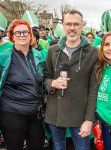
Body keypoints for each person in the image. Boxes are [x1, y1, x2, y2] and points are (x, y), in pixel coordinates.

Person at [44, 9, 98, 150]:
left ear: (82, 26)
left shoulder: (93, 53)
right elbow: (45, 78)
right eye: (68, 24)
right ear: (63, 26)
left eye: (76, 24)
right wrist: (53, 83)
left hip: (80, 115)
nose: (72, 28)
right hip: (55, 112)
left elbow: (93, 89)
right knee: (58, 147)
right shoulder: (52, 50)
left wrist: (89, 119)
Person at [0, 19, 45, 150]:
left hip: (36, 113)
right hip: (12, 113)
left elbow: (44, 83)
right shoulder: (2, 58)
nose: (22, 35)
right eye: (18, 33)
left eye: (25, 32)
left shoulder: (39, 57)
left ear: (30, 35)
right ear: (12, 36)